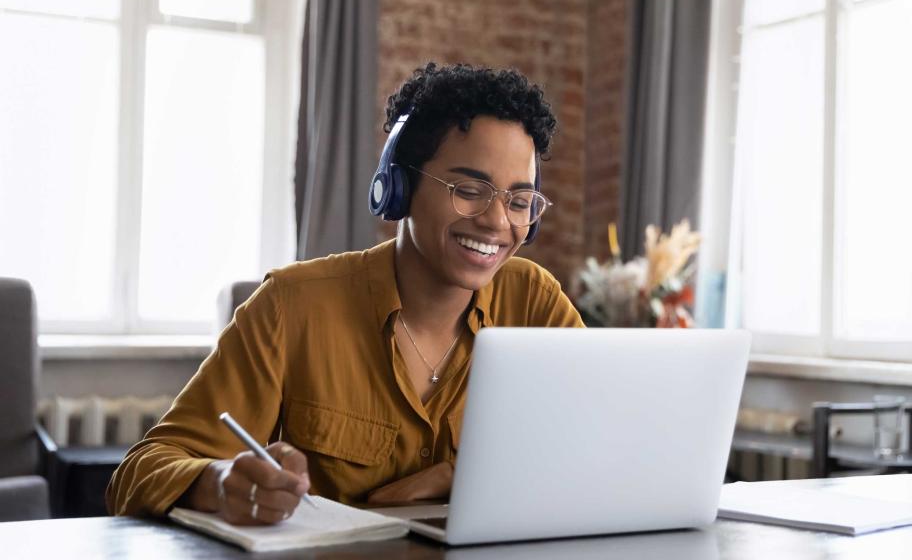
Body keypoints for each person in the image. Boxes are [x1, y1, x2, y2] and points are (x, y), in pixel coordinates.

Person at [106, 63, 585, 524]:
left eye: (520, 202)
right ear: (397, 186)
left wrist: (464, 476)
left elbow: (599, 444)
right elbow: (141, 471)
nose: (498, 222)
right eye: (469, 189)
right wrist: (223, 480)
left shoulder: (534, 302)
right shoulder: (291, 306)